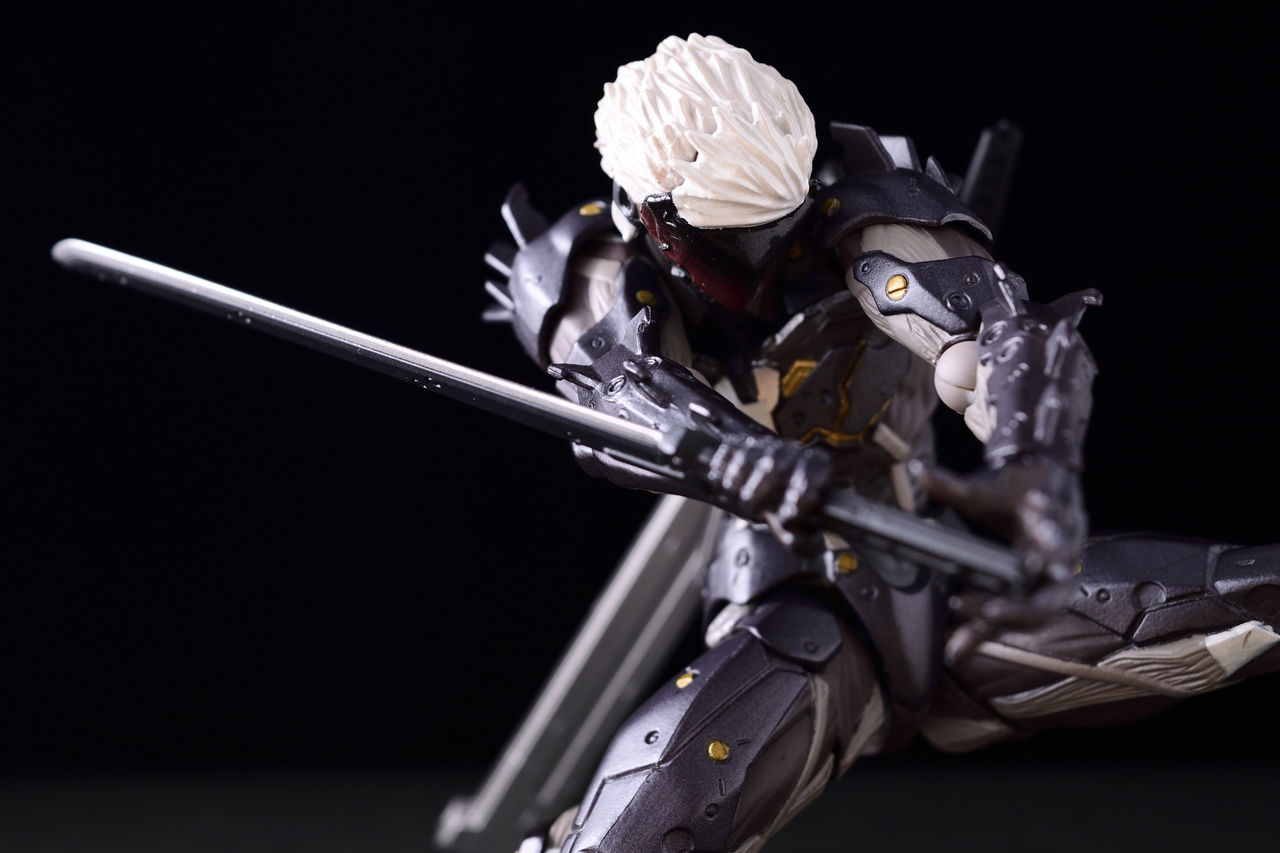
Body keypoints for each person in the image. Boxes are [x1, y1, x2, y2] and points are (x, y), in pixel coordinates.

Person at [489, 34, 1280, 852]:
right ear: (659, 219)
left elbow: (993, 338)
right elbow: (627, 392)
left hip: (939, 562)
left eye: (782, 223)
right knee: (667, 805)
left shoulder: (855, 208)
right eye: (742, 236)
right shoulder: (591, 271)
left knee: (1234, 597)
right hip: (790, 584)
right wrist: (732, 451)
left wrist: (1034, 459)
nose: (774, 255)